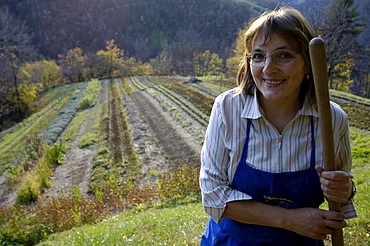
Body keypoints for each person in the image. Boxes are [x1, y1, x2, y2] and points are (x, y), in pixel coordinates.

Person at [199, 6, 356, 246]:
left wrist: (344, 189)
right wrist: (289, 219)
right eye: (258, 56)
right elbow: (212, 195)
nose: (268, 68)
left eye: (284, 55)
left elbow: (341, 192)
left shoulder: (332, 120)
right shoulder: (228, 109)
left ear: (308, 64)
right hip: (232, 241)